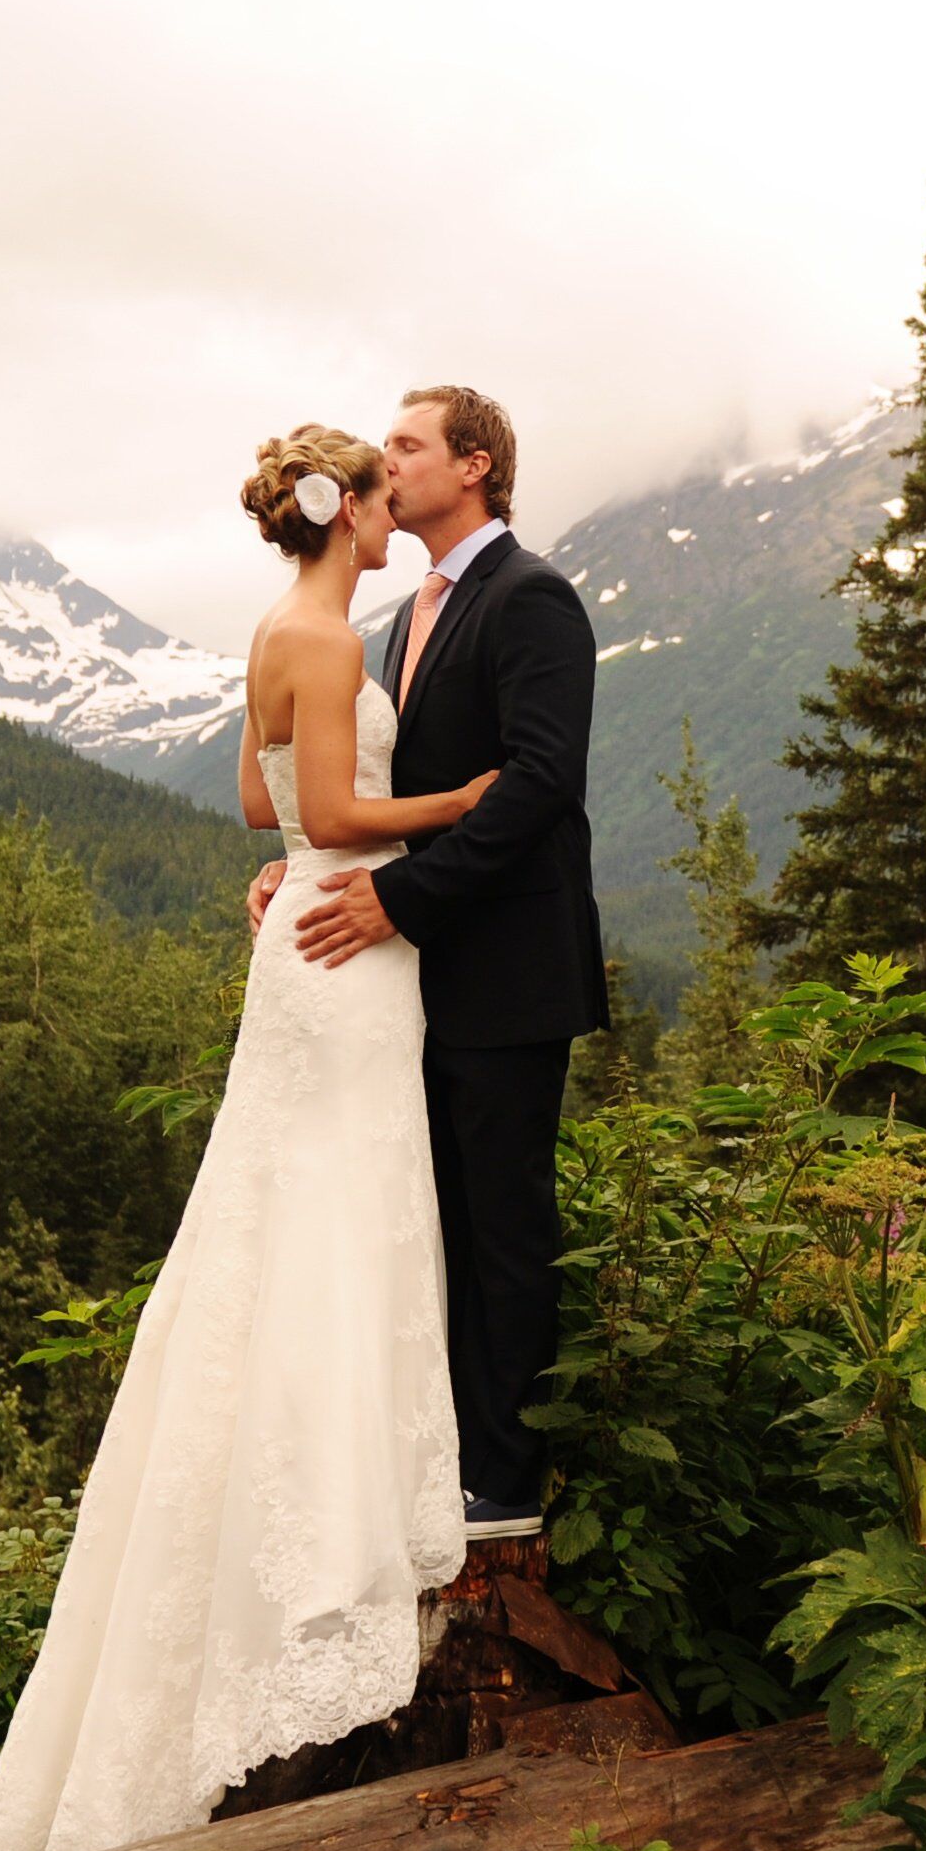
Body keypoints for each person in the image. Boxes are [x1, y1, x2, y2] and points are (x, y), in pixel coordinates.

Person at [0, 426, 501, 1851]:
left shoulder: (281, 631)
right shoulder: (331, 643)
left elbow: (259, 806)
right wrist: (457, 806)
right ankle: (326, 1529)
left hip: (306, 952)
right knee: (340, 1219)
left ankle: (301, 1509)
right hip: (349, 955)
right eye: (385, 495)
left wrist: (315, 854)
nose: (399, 511)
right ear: (351, 514)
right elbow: (322, 813)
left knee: (290, 1223)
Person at [283, 385, 608, 1539]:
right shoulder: (401, 618)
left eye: (407, 445)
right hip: (427, 972)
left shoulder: (533, 599)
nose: (387, 459)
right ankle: (455, 1457)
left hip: (509, 969)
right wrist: (310, 866)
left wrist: (397, 900)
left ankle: (509, 1485)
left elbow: (536, 785)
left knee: (506, 1226)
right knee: (448, 1223)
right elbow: (380, 796)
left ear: (472, 466)